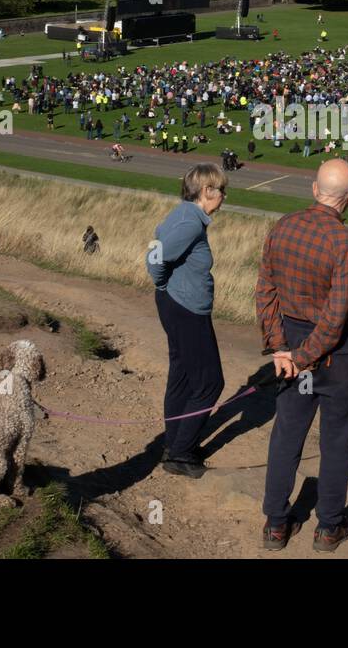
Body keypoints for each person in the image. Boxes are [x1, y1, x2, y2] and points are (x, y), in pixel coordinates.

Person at [257, 159, 348, 553]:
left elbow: (265, 293)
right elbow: (336, 317)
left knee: (287, 433)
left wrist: (281, 349)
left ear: (313, 188)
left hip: (292, 339)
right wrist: (299, 355)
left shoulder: (282, 226)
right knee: (338, 441)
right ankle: (328, 527)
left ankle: (275, 523)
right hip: (334, 352)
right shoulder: (345, 241)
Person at [146, 163, 229, 479]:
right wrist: (164, 284)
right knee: (210, 381)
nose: (224, 196)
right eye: (221, 189)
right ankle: (181, 453)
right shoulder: (190, 222)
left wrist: (166, 288)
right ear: (207, 190)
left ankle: (174, 442)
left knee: (181, 373)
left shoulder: (185, 214)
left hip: (179, 305)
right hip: (186, 309)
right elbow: (154, 256)